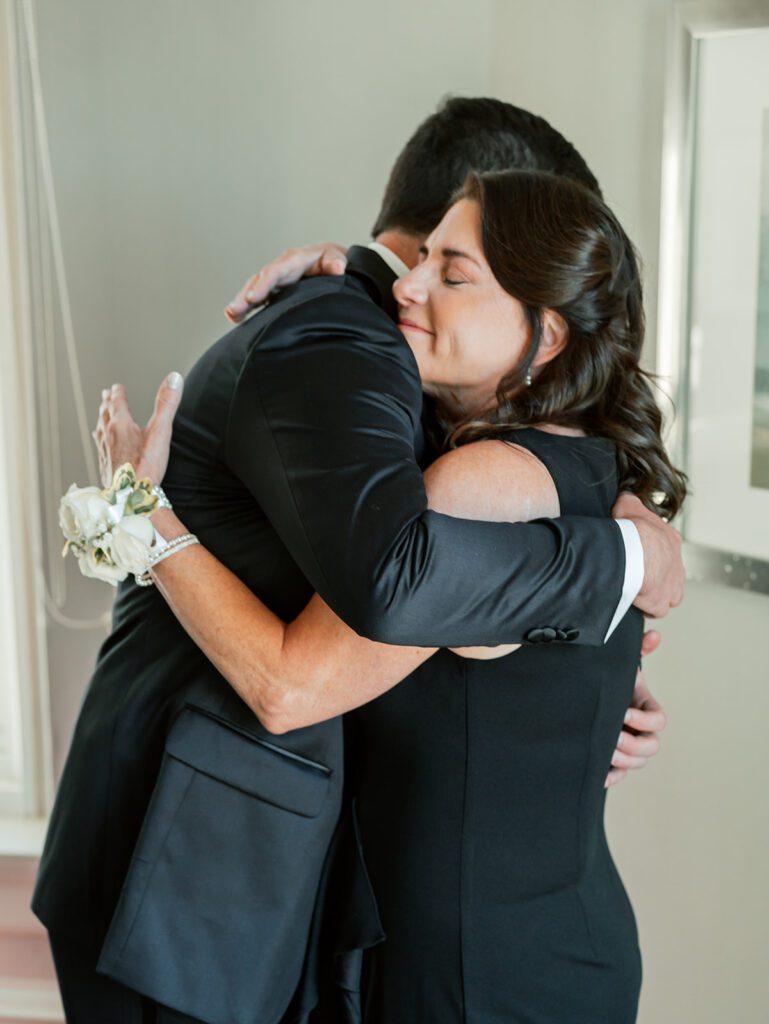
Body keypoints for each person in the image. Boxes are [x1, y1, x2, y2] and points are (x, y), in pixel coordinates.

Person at [33, 98, 680, 1024]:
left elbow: (402, 598)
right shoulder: (343, 338)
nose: (418, 289)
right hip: (185, 862)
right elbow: (380, 607)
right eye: (431, 262)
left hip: (466, 954)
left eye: (455, 274)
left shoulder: (477, 443)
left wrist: (610, 620)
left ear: (548, 329)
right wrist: (627, 563)